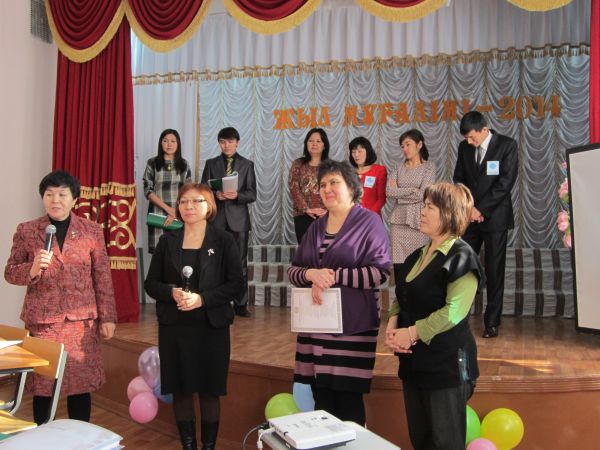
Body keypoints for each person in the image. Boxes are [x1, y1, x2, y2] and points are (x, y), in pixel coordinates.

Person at [4, 170, 116, 425]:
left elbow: (102, 277)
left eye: (62, 194)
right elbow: (10, 272)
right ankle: (44, 435)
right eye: (49, 194)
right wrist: (32, 269)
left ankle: (81, 437)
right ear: (42, 197)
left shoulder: (91, 231)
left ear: (74, 199)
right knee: (43, 386)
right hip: (44, 323)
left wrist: (108, 317)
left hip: (81, 323)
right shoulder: (28, 230)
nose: (55, 200)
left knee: (80, 386)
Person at [288, 160, 391, 425]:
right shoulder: (315, 227)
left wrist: (332, 276)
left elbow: (379, 272)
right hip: (316, 327)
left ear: (351, 187)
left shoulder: (369, 222)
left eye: (334, 182)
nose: (327, 189)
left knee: (348, 402)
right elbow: (294, 271)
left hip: (352, 327)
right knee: (322, 400)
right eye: (322, 184)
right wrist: (311, 275)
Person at [144, 183, 243, 450]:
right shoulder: (168, 241)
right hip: (175, 327)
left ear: (209, 207)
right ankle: (188, 446)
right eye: (184, 201)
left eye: (197, 201)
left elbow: (236, 285)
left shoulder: (224, 240)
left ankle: (208, 447)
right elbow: (151, 284)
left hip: (211, 327)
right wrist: (171, 292)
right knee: (181, 390)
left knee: (210, 391)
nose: (189, 206)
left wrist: (202, 299)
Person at [386, 182, 484, 450]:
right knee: (421, 439)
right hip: (414, 364)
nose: (422, 212)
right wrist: (393, 325)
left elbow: (454, 312)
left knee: (446, 442)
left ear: (449, 214)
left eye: (430, 207)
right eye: (424, 205)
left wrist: (411, 333)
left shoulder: (462, 257)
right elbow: (402, 295)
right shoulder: (417, 255)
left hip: (445, 365)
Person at [453, 111, 518, 338]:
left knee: (494, 270)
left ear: (484, 129)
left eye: (472, 137)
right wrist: (469, 207)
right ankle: (458, 318)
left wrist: (481, 209)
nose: (469, 142)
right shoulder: (464, 148)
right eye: (466, 138)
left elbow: (505, 183)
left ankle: (492, 322)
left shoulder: (506, 145)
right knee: (463, 268)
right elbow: (459, 179)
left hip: (495, 218)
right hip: (469, 218)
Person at [201, 127, 256, 318]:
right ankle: (216, 301)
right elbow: (203, 190)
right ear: (219, 143)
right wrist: (215, 194)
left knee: (240, 263)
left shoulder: (247, 164)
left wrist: (237, 195)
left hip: (239, 222)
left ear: (237, 142)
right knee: (214, 261)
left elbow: (252, 193)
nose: (226, 145)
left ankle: (240, 304)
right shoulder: (211, 163)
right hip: (216, 220)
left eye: (230, 141)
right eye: (223, 142)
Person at [387, 129, 436, 279]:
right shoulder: (398, 167)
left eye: (408, 144)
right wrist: (412, 190)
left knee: (419, 264)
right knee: (399, 267)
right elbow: (389, 191)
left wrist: (400, 193)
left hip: (419, 221)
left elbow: (424, 194)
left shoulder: (429, 167)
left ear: (419, 145)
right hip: (398, 223)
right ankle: (401, 293)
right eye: (402, 146)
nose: (405, 149)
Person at [143, 128, 192, 253]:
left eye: (173, 141)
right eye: (165, 141)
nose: (169, 144)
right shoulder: (152, 163)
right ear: (161, 143)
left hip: (179, 214)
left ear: (178, 143)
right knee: (159, 253)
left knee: (178, 252)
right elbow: (148, 191)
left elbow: (188, 192)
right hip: (157, 214)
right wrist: (169, 210)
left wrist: (176, 211)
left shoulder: (184, 164)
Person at [288, 128, 329, 244]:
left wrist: (326, 210)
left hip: (325, 214)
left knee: (325, 250)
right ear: (306, 144)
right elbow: (294, 187)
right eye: (310, 141)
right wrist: (306, 209)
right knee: (306, 250)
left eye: (318, 141)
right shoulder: (298, 164)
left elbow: (335, 191)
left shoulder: (331, 166)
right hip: (302, 214)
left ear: (324, 145)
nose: (314, 144)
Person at [348, 136, 387, 215]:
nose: (356, 155)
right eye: (353, 152)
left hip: (371, 216)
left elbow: (381, 199)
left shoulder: (379, 170)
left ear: (368, 152)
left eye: (360, 151)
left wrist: (368, 215)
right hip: (352, 216)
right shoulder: (349, 172)